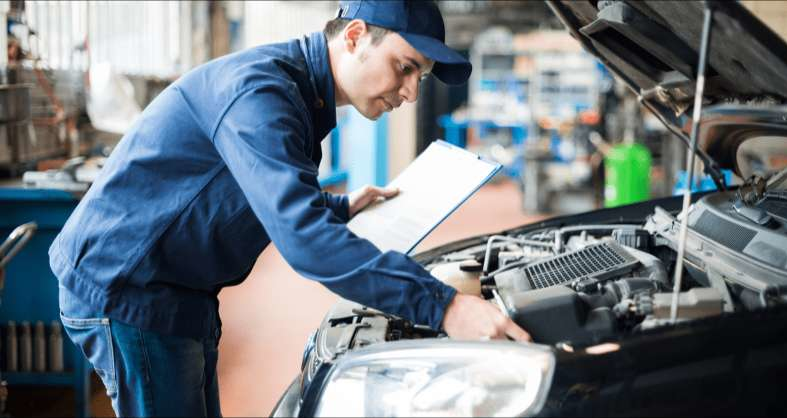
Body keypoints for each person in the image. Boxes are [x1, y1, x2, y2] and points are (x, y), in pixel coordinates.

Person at [50, 1, 531, 416]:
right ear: (355, 36)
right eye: (405, 67)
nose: (410, 93)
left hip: (179, 289)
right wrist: (444, 306)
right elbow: (305, 242)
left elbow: (243, 187)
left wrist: (339, 206)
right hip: (130, 288)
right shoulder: (262, 94)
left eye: (419, 77)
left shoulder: (300, 95)